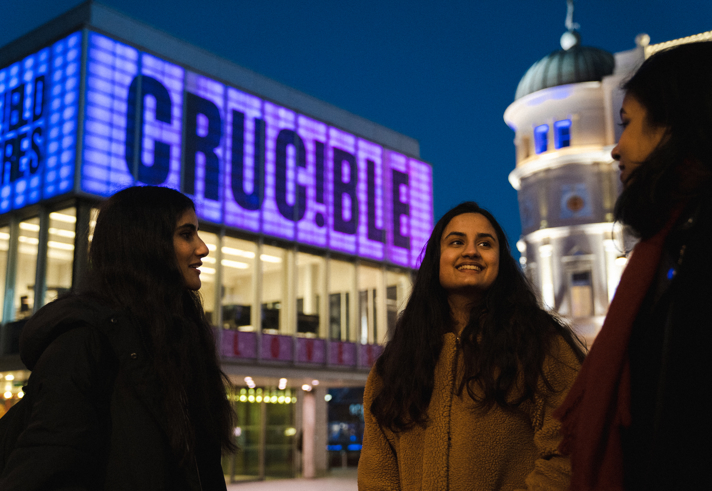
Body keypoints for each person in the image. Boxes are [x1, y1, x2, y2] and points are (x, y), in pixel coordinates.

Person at [0, 186, 236, 490]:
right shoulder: (83, 341)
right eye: (186, 234)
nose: (202, 248)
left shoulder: (176, 339)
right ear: (146, 244)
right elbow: (45, 464)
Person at [554, 41, 712, 490]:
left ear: (676, 126)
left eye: (627, 125)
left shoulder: (688, 244)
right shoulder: (669, 243)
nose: (615, 149)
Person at [358, 202, 585, 490]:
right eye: (456, 242)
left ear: (500, 261)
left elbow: (569, 448)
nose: (471, 251)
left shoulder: (541, 346)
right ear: (436, 258)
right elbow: (377, 473)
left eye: (485, 243)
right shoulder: (393, 367)